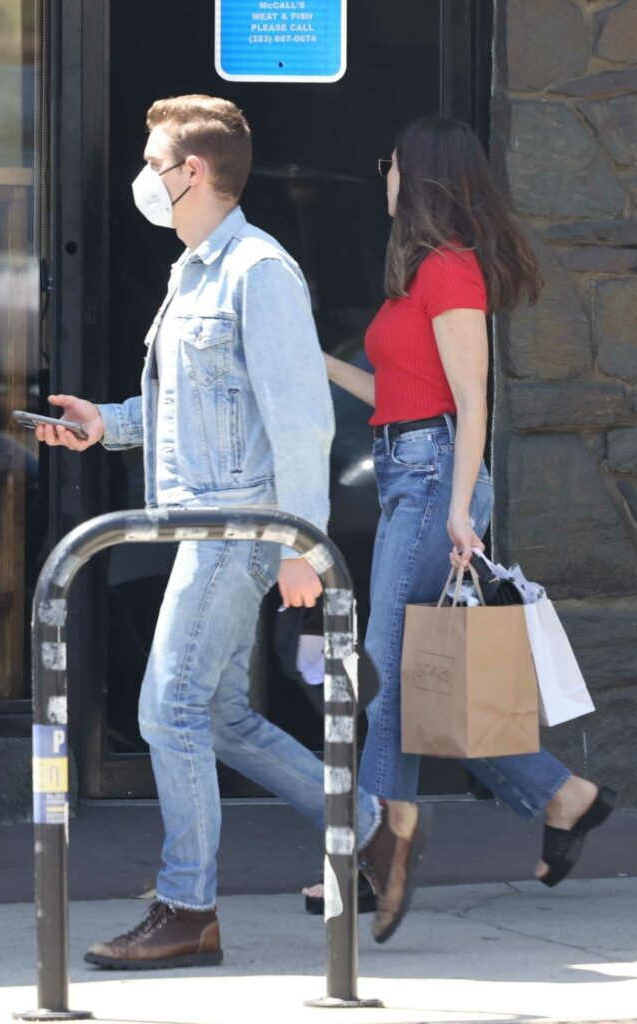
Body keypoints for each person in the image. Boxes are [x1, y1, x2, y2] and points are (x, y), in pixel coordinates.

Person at [35, 94, 428, 969]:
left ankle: (188, 907)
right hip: (212, 520)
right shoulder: (196, 271)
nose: (143, 177)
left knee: (164, 706)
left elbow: (298, 421)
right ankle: (374, 828)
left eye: (151, 161)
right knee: (215, 713)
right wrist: (104, 422)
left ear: (194, 172)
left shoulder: (258, 270)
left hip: (241, 526)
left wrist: (301, 545)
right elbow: (195, 408)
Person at [302, 115, 616, 911]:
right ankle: (561, 795)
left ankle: (372, 852)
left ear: (423, 177)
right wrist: (320, 363)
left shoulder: (451, 271)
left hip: (437, 474)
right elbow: (399, 399)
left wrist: (458, 510)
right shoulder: (417, 276)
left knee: (385, 666)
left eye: (393, 163)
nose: (386, 176)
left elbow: (474, 402)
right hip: (411, 466)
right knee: (414, 671)